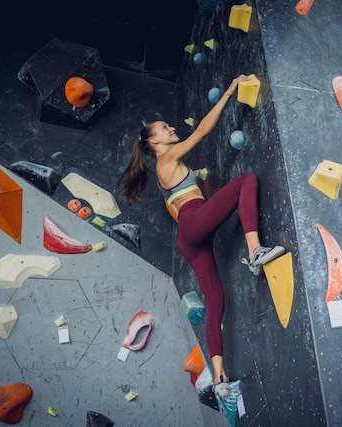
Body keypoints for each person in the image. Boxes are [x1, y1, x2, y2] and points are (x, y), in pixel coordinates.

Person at [117, 74, 285, 397]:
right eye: (164, 128)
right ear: (154, 141)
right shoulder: (167, 158)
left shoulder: (167, 168)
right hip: (194, 225)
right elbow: (204, 130)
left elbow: (177, 202)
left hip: (191, 237)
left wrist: (194, 185)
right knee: (246, 181)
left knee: (216, 302)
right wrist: (229, 92)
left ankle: (220, 378)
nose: (170, 128)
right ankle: (255, 252)